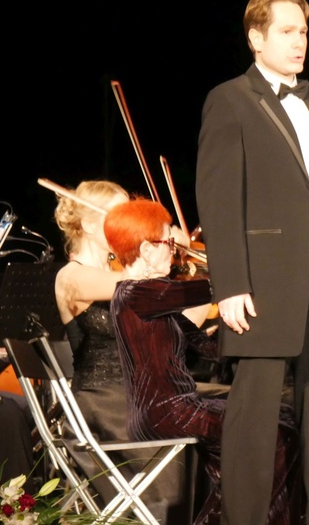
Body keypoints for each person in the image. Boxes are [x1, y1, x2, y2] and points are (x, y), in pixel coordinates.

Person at [195, 0, 309, 525]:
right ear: (256, 38)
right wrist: (230, 284)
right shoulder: (231, 98)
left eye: (303, 31)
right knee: (255, 410)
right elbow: (218, 199)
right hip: (262, 278)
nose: (299, 42)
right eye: (287, 31)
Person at [53, 179, 198, 523]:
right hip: (106, 403)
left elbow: (185, 327)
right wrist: (160, 248)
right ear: (90, 225)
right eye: (120, 214)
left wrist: (195, 269)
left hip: (144, 394)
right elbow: (133, 289)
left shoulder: (123, 272)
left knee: (240, 407)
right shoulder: (71, 277)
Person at [104, 198, 225, 525]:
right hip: (167, 412)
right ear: (146, 250)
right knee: (271, 425)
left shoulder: (153, 300)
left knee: (262, 429)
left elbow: (206, 347)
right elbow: (208, 289)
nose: (174, 251)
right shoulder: (135, 293)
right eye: (169, 243)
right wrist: (234, 273)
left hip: (172, 409)